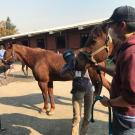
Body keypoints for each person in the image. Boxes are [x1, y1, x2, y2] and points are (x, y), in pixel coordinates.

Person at [95, 6, 135, 135]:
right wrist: (99, 66)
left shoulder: (131, 53)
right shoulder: (127, 47)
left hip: (127, 120)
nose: (110, 28)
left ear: (122, 25)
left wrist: (109, 103)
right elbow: (121, 74)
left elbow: (131, 98)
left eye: (112, 25)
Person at [61, 50, 95, 135]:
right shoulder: (70, 64)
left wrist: (90, 61)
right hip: (77, 91)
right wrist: (71, 68)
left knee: (88, 117)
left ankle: (83, 133)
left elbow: (93, 63)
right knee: (77, 117)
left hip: (89, 90)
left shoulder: (83, 58)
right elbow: (62, 73)